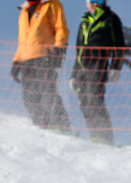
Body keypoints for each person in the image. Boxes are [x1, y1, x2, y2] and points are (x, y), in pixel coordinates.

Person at [69, 0, 125, 145]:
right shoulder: (84, 23)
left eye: (99, 0)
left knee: (94, 99)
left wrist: (115, 68)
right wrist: (73, 75)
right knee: (84, 102)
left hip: (98, 65)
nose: (95, 3)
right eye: (91, 0)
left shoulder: (111, 19)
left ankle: (105, 137)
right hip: (82, 68)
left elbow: (119, 47)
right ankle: (95, 136)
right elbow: (78, 52)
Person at [10, 0, 72, 132]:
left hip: (44, 57)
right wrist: (17, 61)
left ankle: (63, 128)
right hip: (27, 60)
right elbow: (23, 40)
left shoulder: (51, 5)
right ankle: (44, 127)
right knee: (29, 98)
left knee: (47, 93)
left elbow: (61, 28)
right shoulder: (24, 11)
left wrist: (58, 48)